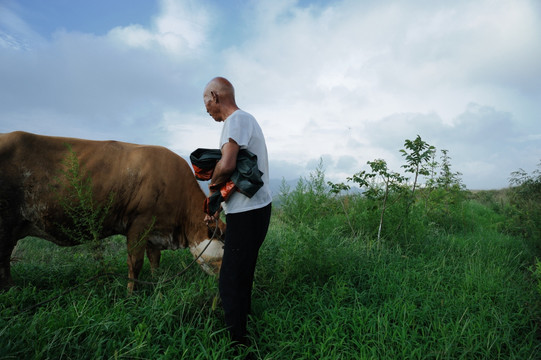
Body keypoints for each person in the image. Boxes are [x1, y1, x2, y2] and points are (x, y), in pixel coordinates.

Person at [202, 77, 272, 346]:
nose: (207, 111)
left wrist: (211, 189)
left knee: (230, 279)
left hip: (248, 214)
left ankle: (238, 345)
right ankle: (244, 325)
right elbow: (239, 171)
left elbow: (227, 164)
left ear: (215, 96)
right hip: (254, 211)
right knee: (242, 273)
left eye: (206, 104)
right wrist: (219, 204)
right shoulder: (245, 121)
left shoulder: (236, 120)